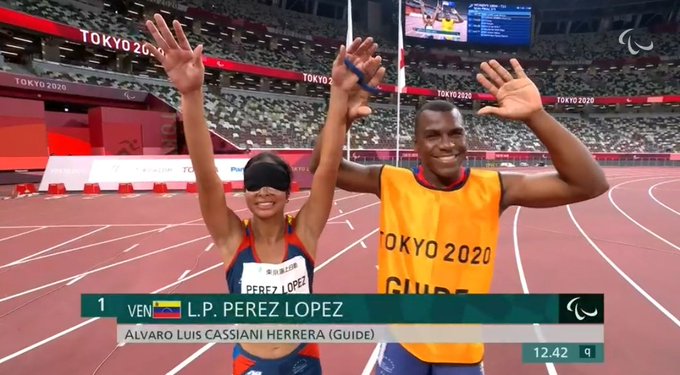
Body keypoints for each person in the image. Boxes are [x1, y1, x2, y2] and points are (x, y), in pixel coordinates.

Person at [309, 58, 609, 374]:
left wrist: (537, 116)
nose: (447, 144)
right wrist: (342, 116)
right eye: (433, 135)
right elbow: (323, 167)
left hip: (460, 346)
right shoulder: (390, 181)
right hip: (402, 338)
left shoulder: (494, 187)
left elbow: (590, 184)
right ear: (416, 145)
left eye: (455, 133)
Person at [143, 14, 384, 375]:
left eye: (273, 182)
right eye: (255, 184)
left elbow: (328, 169)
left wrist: (337, 96)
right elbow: (206, 175)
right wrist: (191, 94)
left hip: (304, 361)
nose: (264, 191)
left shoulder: (304, 233)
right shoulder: (231, 238)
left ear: (289, 193)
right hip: (251, 365)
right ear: (245, 193)